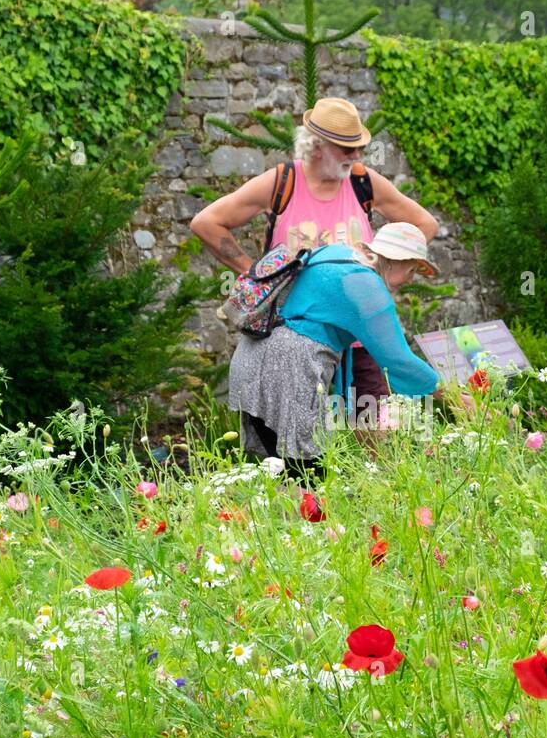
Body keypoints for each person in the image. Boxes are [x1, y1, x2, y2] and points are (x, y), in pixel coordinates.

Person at [190, 97, 439, 433]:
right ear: (317, 145)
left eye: (359, 148)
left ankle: (375, 485)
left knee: (374, 428)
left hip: (357, 336)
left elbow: (424, 224)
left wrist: (384, 266)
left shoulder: (363, 182)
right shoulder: (282, 182)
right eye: (346, 148)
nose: (355, 156)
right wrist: (259, 275)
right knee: (297, 438)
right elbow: (207, 222)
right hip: (296, 336)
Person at [227, 222, 449, 483]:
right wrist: (453, 396)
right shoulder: (366, 286)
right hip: (288, 371)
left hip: (252, 359)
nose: (411, 280)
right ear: (395, 260)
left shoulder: (334, 254)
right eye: (412, 270)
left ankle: (272, 522)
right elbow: (399, 361)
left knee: (291, 475)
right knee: (309, 477)